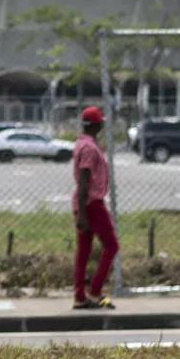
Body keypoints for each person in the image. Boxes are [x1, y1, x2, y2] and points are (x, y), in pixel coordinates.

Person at [72, 106, 119, 309]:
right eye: (101, 122)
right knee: (111, 246)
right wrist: (83, 214)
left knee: (84, 250)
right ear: (96, 125)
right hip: (91, 204)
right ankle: (95, 290)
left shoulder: (81, 143)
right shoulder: (90, 149)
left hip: (83, 203)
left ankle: (80, 296)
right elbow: (84, 181)